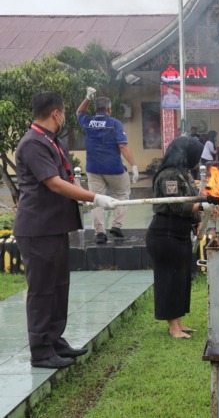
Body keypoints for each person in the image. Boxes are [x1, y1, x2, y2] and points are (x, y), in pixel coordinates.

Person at [14, 91, 117, 368]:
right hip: (38, 229)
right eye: (63, 112)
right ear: (56, 113)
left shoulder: (50, 140)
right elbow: (55, 183)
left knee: (59, 287)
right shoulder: (33, 144)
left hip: (54, 226)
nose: (64, 116)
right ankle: (41, 351)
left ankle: (55, 341)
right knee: (42, 290)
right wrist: (94, 197)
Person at [145, 136, 219, 339]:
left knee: (181, 279)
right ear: (184, 153)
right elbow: (177, 205)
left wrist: (199, 217)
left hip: (179, 233)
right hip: (165, 234)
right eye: (194, 155)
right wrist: (204, 205)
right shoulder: (169, 175)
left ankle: (179, 323)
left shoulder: (184, 174)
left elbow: (192, 201)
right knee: (168, 279)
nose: (196, 159)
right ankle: (173, 327)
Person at [76, 89, 138, 244]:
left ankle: (100, 233)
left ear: (96, 110)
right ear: (109, 109)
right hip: (114, 169)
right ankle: (116, 226)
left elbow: (79, 112)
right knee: (122, 195)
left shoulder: (89, 122)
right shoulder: (115, 124)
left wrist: (87, 98)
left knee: (96, 199)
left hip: (93, 169)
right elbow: (123, 146)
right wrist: (134, 166)